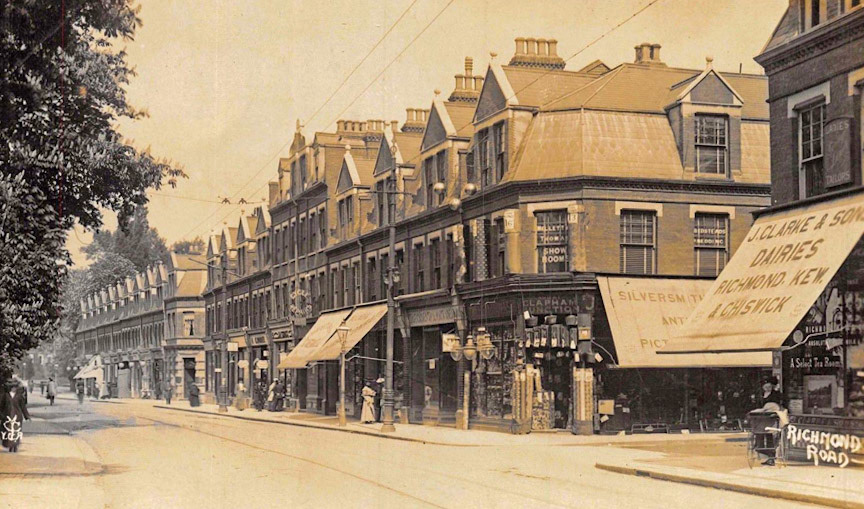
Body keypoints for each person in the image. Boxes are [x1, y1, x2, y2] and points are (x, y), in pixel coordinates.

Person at [1, 382, 31, 453]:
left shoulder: (19, 396)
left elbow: (23, 407)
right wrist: (1, 415)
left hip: (17, 416)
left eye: (15, 387)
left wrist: (27, 416)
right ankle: (10, 445)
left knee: (16, 431)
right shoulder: (5, 396)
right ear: (10, 388)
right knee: (8, 431)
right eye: (13, 387)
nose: (14, 388)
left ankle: (15, 446)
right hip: (7, 416)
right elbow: (1, 407)